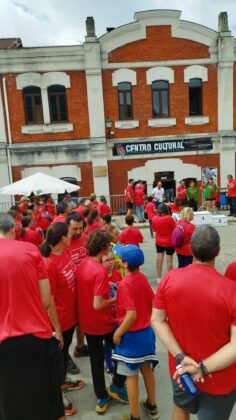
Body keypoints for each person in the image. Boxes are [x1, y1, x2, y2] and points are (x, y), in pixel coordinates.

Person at [152, 225, 236, 420]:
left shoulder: (168, 280)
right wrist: (202, 368)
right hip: (220, 378)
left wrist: (180, 356)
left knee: (180, 408)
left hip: (181, 371)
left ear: (190, 249)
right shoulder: (231, 290)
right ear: (218, 251)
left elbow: (157, 320)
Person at [0, 213, 65, 420]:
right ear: (13, 229)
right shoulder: (30, 251)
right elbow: (46, 300)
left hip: (4, 343)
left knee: (10, 403)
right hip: (36, 337)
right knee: (48, 401)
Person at [76, 230, 128, 414]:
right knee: (123, 353)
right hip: (102, 322)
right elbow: (98, 304)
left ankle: (101, 396)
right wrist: (116, 298)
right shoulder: (99, 271)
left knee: (96, 361)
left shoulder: (83, 264)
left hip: (88, 322)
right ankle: (117, 385)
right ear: (103, 247)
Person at [41, 222, 85, 416]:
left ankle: (63, 381)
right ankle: (58, 394)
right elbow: (48, 300)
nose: (72, 236)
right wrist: (57, 329)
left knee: (64, 352)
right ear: (62, 239)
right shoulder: (48, 264)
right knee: (56, 360)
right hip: (59, 321)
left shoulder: (64, 252)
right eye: (69, 234)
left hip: (70, 316)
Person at [112, 244, 159, 420]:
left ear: (124, 263)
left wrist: (118, 333)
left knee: (131, 377)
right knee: (147, 370)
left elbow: (131, 314)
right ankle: (152, 406)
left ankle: (135, 416)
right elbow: (153, 303)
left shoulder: (125, 284)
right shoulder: (143, 278)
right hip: (146, 334)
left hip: (131, 337)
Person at [65, 212, 89, 363]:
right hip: (67, 290)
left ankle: (80, 346)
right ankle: (64, 356)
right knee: (67, 325)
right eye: (75, 229)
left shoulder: (85, 239)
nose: (78, 232)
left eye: (80, 228)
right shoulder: (62, 242)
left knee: (81, 320)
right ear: (67, 227)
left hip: (84, 288)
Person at [102, 251, 122, 375]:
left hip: (117, 313)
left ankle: (118, 361)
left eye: (111, 259)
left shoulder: (117, 273)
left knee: (118, 339)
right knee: (108, 342)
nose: (110, 262)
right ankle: (108, 363)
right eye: (107, 260)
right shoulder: (101, 275)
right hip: (107, 314)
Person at [152, 203, 176, 283]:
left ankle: (159, 278)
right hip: (169, 242)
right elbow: (174, 228)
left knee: (159, 259)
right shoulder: (169, 218)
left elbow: (154, 230)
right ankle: (170, 278)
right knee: (169, 260)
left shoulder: (154, 218)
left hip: (159, 241)